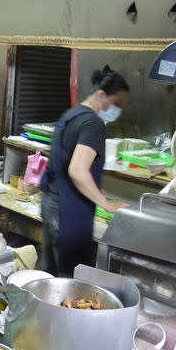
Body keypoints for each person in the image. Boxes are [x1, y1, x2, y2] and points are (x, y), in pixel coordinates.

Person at [40, 67, 130, 278]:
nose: (117, 110)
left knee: (52, 273)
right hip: (70, 213)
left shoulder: (71, 114)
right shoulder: (93, 124)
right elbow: (78, 171)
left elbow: (65, 163)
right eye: (116, 103)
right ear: (100, 95)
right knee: (70, 281)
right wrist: (106, 204)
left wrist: (97, 191)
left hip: (53, 205)